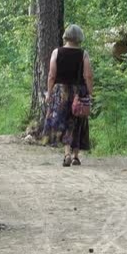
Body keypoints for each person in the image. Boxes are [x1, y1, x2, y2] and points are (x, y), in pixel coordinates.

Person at [43, 24, 93, 166]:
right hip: (79, 92)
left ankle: (66, 154)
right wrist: (90, 92)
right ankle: (76, 156)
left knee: (65, 122)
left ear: (66, 36)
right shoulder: (83, 54)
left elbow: (52, 75)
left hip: (61, 92)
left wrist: (49, 92)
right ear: (79, 37)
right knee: (78, 121)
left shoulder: (56, 52)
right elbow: (88, 75)